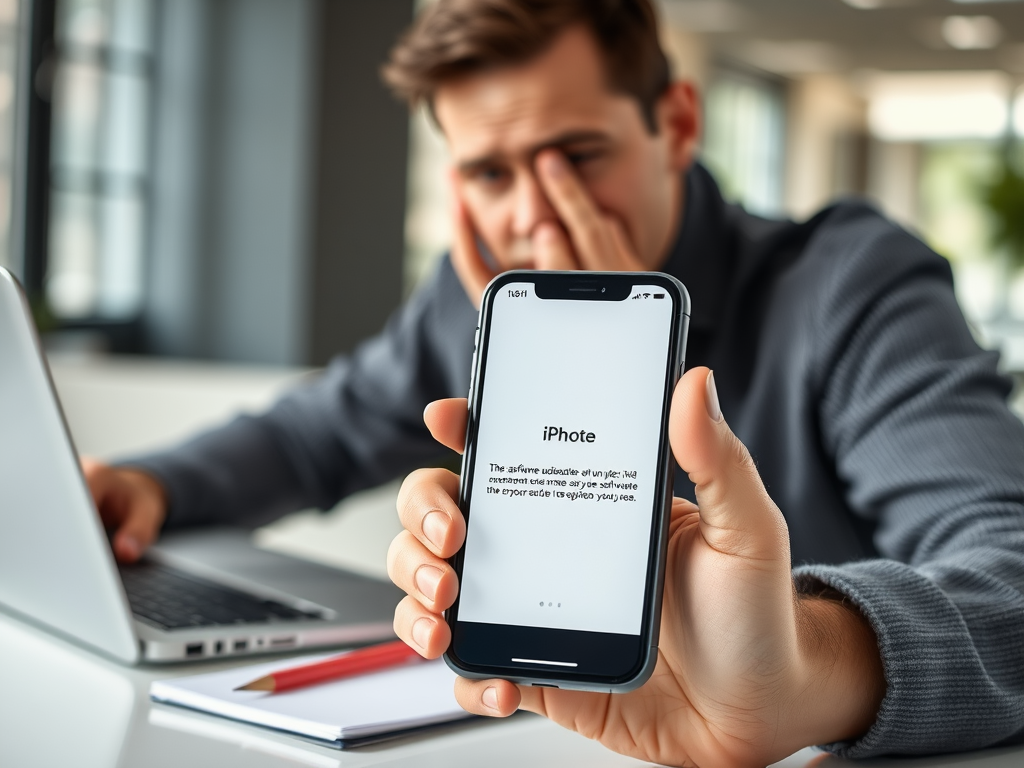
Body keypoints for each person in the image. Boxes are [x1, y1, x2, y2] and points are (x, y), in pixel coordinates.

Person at [84, 0, 1024, 764]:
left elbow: (1009, 560)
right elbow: (312, 434)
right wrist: (152, 484)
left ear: (678, 125)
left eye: (577, 158)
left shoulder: (851, 282)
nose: (534, 215)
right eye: (490, 172)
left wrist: (806, 673)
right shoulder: (490, 303)